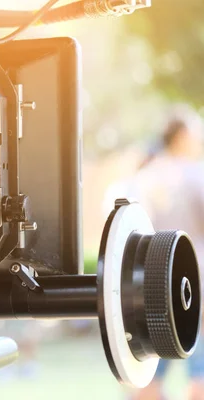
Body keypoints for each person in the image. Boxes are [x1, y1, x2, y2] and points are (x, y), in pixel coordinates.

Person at [108, 105, 204, 400]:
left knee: (148, 367)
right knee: (199, 369)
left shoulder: (144, 176)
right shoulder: (195, 175)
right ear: (182, 135)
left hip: (150, 285)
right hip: (194, 280)